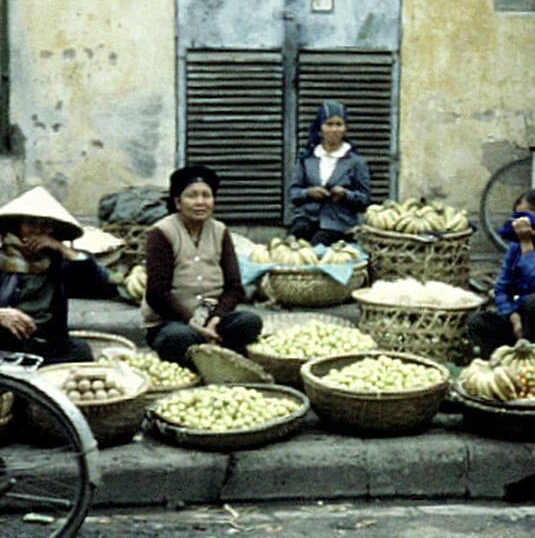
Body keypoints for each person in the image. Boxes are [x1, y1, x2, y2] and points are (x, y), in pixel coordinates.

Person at [0, 186, 111, 365]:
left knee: (81, 351)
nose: (38, 231)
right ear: (17, 225)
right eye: (31, 223)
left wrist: (62, 249)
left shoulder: (58, 261)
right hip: (4, 344)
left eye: (45, 225)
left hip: (46, 344)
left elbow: (102, 285)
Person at [142, 165, 262, 366]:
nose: (200, 202)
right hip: (174, 322)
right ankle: (208, 357)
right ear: (178, 202)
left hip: (213, 320)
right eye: (192, 196)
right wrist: (191, 322)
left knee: (249, 322)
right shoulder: (162, 232)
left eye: (206, 196)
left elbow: (234, 287)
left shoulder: (219, 231)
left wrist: (216, 319)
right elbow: (157, 293)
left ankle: (214, 356)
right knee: (178, 338)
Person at [467, 189, 535, 358]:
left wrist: (527, 245)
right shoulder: (516, 244)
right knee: (478, 321)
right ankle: (505, 361)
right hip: (520, 318)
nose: (523, 225)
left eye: (528, 218)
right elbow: (502, 288)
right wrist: (513, 317)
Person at [288, 101, 371, 246]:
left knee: (317, 247)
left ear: (345, 128)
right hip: (306, 220)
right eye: (329, 124)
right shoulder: (306, 158)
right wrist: (309, 192)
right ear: (320, 128)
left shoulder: (356, 162)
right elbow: (293, 193)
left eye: (339, 124)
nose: (334, 129)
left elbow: (364, 201)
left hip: (338, 225)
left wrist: (345, 195)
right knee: (290, 248)